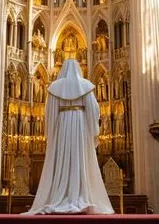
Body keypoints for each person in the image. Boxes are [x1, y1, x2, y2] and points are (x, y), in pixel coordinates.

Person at [24, 59, 114, 214]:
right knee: (79, 159)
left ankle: (60, 195)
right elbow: (94, 110)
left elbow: (50, 113)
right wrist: (92, 129)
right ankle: (80, 194)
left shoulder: (55, 87)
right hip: (79, 126)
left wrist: (51, 133)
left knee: (62, 158)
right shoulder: (85, 86)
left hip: (62, 126)